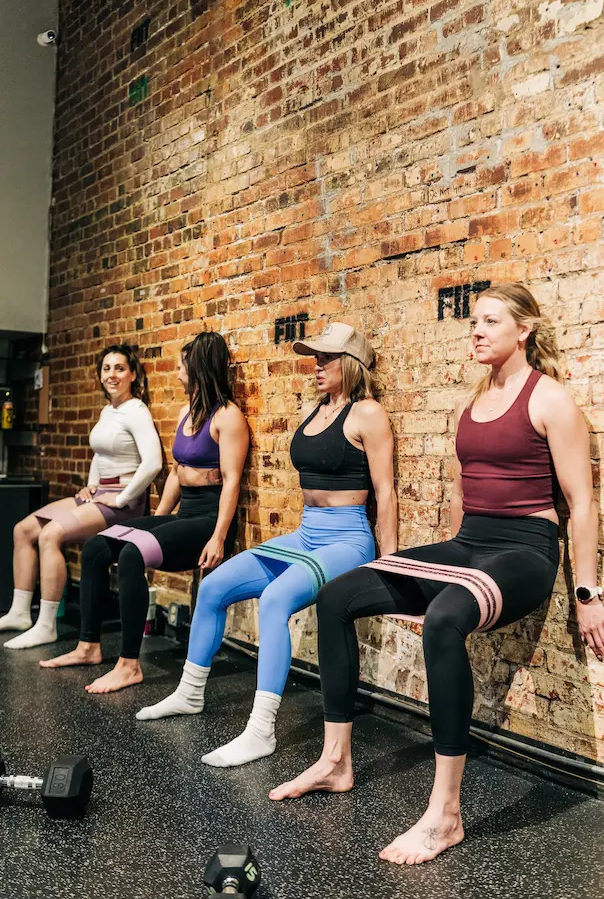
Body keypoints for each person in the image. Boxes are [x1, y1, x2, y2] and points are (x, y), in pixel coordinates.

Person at [270, 283, 604, 866]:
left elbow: (580, 504)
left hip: (526, 553)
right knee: (337, 596)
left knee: (445, 619)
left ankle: (446, 815)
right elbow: (463, 497)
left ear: (524, 330)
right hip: (470, 545)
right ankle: (335, 761)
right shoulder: (473, 400)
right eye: (475, 322)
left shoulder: (550, 400)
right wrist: (427, 568)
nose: (477, 330)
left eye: (490, 321)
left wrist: (586, 592)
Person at [136, 322, 398, 772]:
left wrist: (389, 563)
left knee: (275, 600)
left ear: (352, 364)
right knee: (216, 585)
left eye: (326, 358)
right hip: (308, 532)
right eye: (314, 357)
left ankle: (261, 730)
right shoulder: (316, 412)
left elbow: (386, 491)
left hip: (348, 538)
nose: (316, 365)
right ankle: (190, 692)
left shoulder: (368, 414)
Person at [40, 330, 249, 694]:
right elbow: (177, 472)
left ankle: (128, 665)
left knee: (134, 554)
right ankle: (88, 647)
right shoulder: (187, 412)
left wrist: (218, 537)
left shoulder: (228, 417)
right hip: (183, 516)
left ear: (198, 369)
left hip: (209, 521)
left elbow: (231, 482)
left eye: (183, 367)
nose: (178, 374)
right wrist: (154, 521)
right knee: (96, 548)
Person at [1, 344, 161, 650]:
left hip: (122, 502)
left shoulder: (136, 410)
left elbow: (152, 462)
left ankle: (46, 625)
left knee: (50, 535)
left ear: (132, 374)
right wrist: (91, 485)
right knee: (23, 530)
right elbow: (100, 455)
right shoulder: (108, 411)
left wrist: (122, 498)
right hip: (100, 494)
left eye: (119, 368)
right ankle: (20, 612)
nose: (112, 375)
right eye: (106, 369)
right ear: (100, 375)